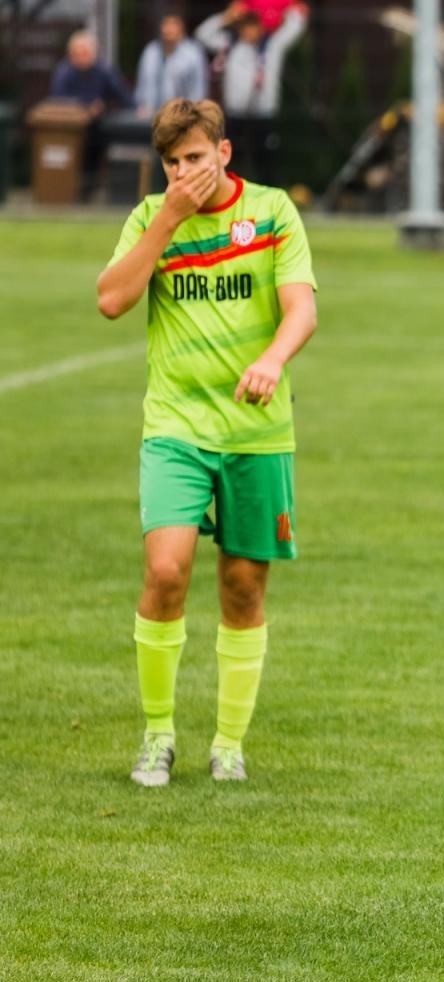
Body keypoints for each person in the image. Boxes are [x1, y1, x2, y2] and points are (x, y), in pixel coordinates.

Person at [95, 98, 318, 786]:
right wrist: (167, 218)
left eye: (194, 158)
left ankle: (228, 743)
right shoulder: (151, 219)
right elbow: (110, 299)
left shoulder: (274, 211)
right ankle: (157, 734)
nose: (184, 172)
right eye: (171, 163)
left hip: (257, 432)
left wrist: (273, 360)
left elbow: (302, 307)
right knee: (165, 572)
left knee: (244, 587)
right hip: (176, 429)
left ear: (223, 154)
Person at [195, 3, 306, 185]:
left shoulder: (272, 47)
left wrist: (293, 11)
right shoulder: (229, 45)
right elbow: (202, 34)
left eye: (254, 26)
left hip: (263, 115)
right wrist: (226, 17)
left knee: (266, 163)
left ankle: (267, 202)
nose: (250, 31)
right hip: (235, 115)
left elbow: (293, 28)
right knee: (231, 161)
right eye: (246, 26)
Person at [49, 30, 133, 191]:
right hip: (68, 130)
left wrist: (106, 108)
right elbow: (58, 101)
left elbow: (123, 96)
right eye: (77, 54)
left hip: (98, 127)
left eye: (85, 53)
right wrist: (85, 108)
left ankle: (95, 187)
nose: (81, 58)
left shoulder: (103, 71)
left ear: (95, 53)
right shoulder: (63, 73)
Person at [134, 13, 210, 117]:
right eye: (165, 25)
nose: (167, 29)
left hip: (182, 117)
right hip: (151, 115)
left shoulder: (193, 54)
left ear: (181, 29)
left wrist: (192, 114)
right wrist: (142, 106)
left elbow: (198, 90)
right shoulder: (150, 52)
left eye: (172, 25)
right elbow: (143, 85)